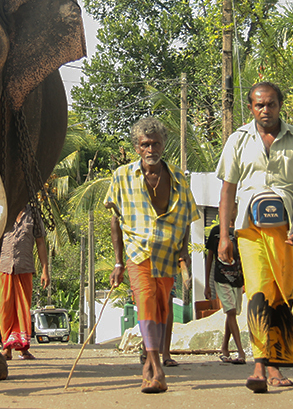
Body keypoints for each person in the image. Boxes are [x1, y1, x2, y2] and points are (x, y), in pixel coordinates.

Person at [215, 82, 293, 393]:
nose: (265, 110)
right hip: (250, 231)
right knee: (258, 292)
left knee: (282, 296)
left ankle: (275, 363)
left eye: (271, 104)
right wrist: (225, 236)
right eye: (259, 105)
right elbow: (227, 190)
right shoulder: (238, 140)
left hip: (288, 232)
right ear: (251, 107)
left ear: (281, 105)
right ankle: (259, 365)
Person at [105, 116, 197, 394]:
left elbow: (185, 221)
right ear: (137, 147)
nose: (151, 149)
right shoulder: (122, 176)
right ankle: (154, 367)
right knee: (144, 300)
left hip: (167, 255)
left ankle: (151, 355)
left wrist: (184, 257)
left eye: (156, 143)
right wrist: (119, 262)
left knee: (160, 307)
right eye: (145, 144)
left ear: (163, 144)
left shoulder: (179, 178)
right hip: (138, 253)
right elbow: (115, 221)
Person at [0, 204, 49, 360]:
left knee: (23, 307)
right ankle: (6, 347)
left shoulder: (33, 212)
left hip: (24, 267)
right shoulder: (3, 209)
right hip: (3, 267)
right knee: (4, 307)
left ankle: (23, 348)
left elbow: (40, 242)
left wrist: (45, 270)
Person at [204, 222, 246, 364]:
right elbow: (210, 257)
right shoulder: (216, 231)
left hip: (237, 279)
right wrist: (207, 285)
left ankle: (224, 347)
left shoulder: (240, 231)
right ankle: (241, 351)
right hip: (221, 278)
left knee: (232, 313)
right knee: (231, 311)